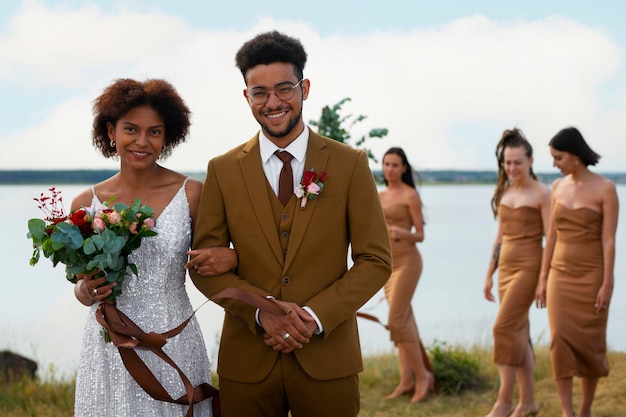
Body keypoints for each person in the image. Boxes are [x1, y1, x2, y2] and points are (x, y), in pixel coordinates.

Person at [187, 31, 392, 417]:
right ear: (246, 97)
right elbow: (204, 267)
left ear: (305, 88)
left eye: (284, 88)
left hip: (328, 359)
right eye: (259, 92)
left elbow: (376, 261)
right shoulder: (222, 170)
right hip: (247, 363)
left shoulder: (350, 164)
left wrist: (313, 318)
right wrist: (262, 313)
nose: (273, 102)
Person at [71, 78, 237, 417]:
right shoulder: (85, 204)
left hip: (172, 338)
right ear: (111, 131)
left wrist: (233, 254)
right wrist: (88, 289)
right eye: (131, 129)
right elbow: (79, 286)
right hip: (108, 346)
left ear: (168, 135)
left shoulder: (192, 193)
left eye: (155, 132)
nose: (142, 142)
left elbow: (218, 257)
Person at [535, 127, 618, 417]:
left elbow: (609, 240)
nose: (554, 164)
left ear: (574, 155)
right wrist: (543, 278)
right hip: (559, 274)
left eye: (558, 157)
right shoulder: (557, 189)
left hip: (592, 275)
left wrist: (608, 283)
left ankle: (584, 411)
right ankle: (567, 413)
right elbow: (552, 235)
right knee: (559, 341)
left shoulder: (606, 188)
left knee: (591, 343)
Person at [483, 128, 550, 417]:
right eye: (508, 163)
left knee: (503, 328)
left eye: (517, 162)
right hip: (505, 269)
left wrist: (544, 279)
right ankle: (528, 403)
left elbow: (551, 239)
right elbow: (499, 237)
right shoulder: (505, 191)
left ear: (531, 161)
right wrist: (489, 274)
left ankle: (504, 401)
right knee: (519, 333)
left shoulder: (543, 193)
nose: (512, 168)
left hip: (530, 266)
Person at [377, 147, 434, 403]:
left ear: (404, 169)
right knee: (405, 323)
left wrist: (402, 232)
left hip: (408, 262)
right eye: (386, 164)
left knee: (397, 320)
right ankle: (406, 380)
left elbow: (420, 234)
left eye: (395, 165)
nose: (390, 169)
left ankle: (423, 376)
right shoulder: (378, 196)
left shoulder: (410, 195)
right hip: (387, 265)